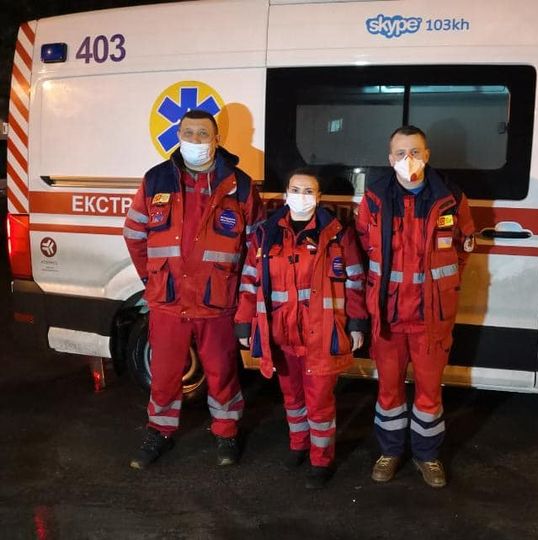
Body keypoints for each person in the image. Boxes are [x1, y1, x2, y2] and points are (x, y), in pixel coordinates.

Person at [123, 109, 263, 469]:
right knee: (165, 374)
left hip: (217, 301)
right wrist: (152, 279)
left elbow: (257, 248)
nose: (196, 140)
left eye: (203, 134)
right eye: (189, 133)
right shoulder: (155, 180)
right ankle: (159, 432)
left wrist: (243, 295)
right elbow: (134, 234)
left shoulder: (240, 185)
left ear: (217, 139)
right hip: (168, 301)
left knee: (222, 372)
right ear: (178, 137)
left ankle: (226, 432)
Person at [355, 126, 475, 488]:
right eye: (401, 153)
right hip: (388, 316)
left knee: (429, 392)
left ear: (428, 155)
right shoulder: (375, 198)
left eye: (415, 152)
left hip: (431, 318)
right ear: (390, 159)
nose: (408, 159)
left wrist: (444, 289)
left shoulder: (450, 198)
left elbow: (464, 248)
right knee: (388, 392)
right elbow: (362, 247)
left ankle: (427, 455)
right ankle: (390, 452)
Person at [234, 168, 368, 489]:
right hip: (281, 333)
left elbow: (356, 281)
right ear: (286, 195)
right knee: (292, 396)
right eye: (296, 190)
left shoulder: (337, 234)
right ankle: (299, 444)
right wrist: (243, 323)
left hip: (322, 333)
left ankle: (321, 460)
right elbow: (250, 281)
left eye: (309, 191)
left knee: (319, 400)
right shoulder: (265, 234)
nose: (302, 196)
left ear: (319, 197)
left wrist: (357, 323)